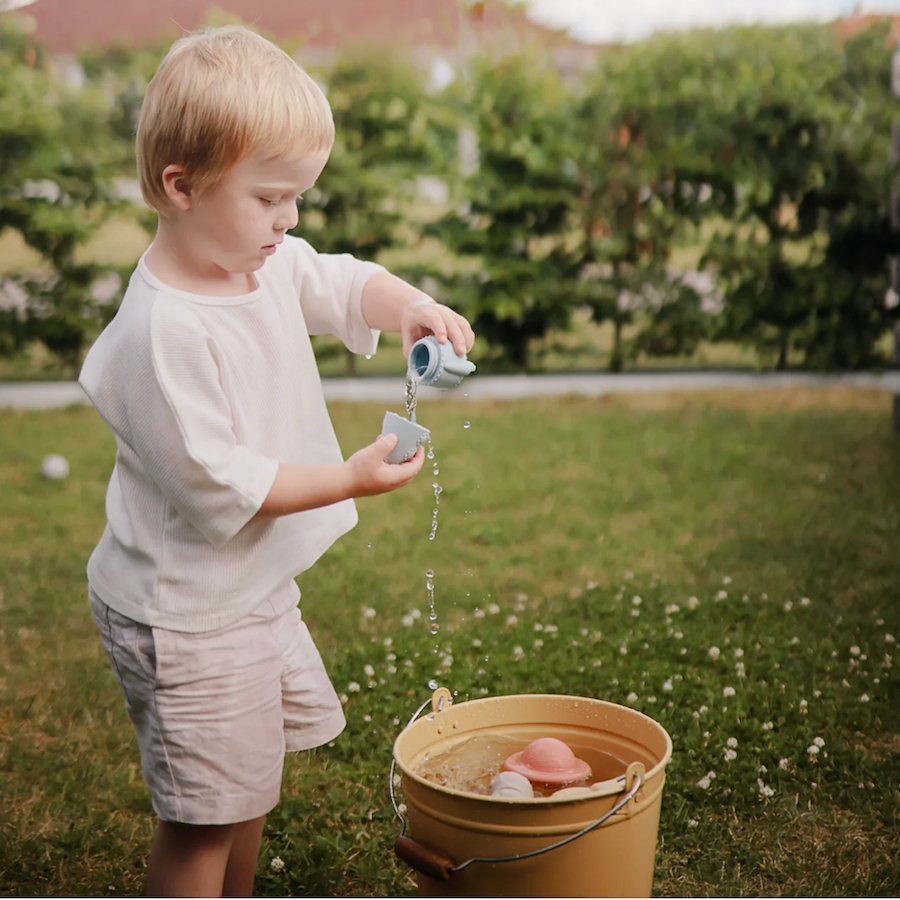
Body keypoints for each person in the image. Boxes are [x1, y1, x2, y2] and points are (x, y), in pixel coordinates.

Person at [78, 24, 474, 897]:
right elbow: (226, 482)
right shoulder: (161, 335)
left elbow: (332, 279)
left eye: (296, 195)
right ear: (180, 186)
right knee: (201, 819)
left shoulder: (257, 263)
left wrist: (407, 303)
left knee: (247, 791)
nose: (289, 217)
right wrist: (349, 476)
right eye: (269, 197)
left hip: (246, 594)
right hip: (185, 616)